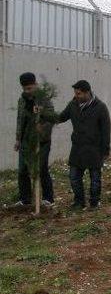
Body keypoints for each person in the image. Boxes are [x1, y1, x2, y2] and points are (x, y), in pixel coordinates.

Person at [56, 80, 111, 210]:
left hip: (94, 149)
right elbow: (61, 117)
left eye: (79, 94)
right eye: (75, 93)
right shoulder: (73, 105)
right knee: (74, 177)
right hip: (77, 148)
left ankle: (94, 203)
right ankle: (79, 202)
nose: (77, 96)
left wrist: (105, 150)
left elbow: (106, 130)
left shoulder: (100, 107)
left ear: (87, 92)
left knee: (95, 179)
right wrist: (45, 116)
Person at [13, 72, 55, 208]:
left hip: (42, 141)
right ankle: (25, 199)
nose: (27, 91)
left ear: (35, 84)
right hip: (26, 141)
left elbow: (51, 118)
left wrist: (41, 128)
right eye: (25, 89)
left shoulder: (44, 99)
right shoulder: (22, 99)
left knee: (41, 169)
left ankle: (48, 199)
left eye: (30, 88)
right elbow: (20, 120)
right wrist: (18, 138)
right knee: (23, 170)